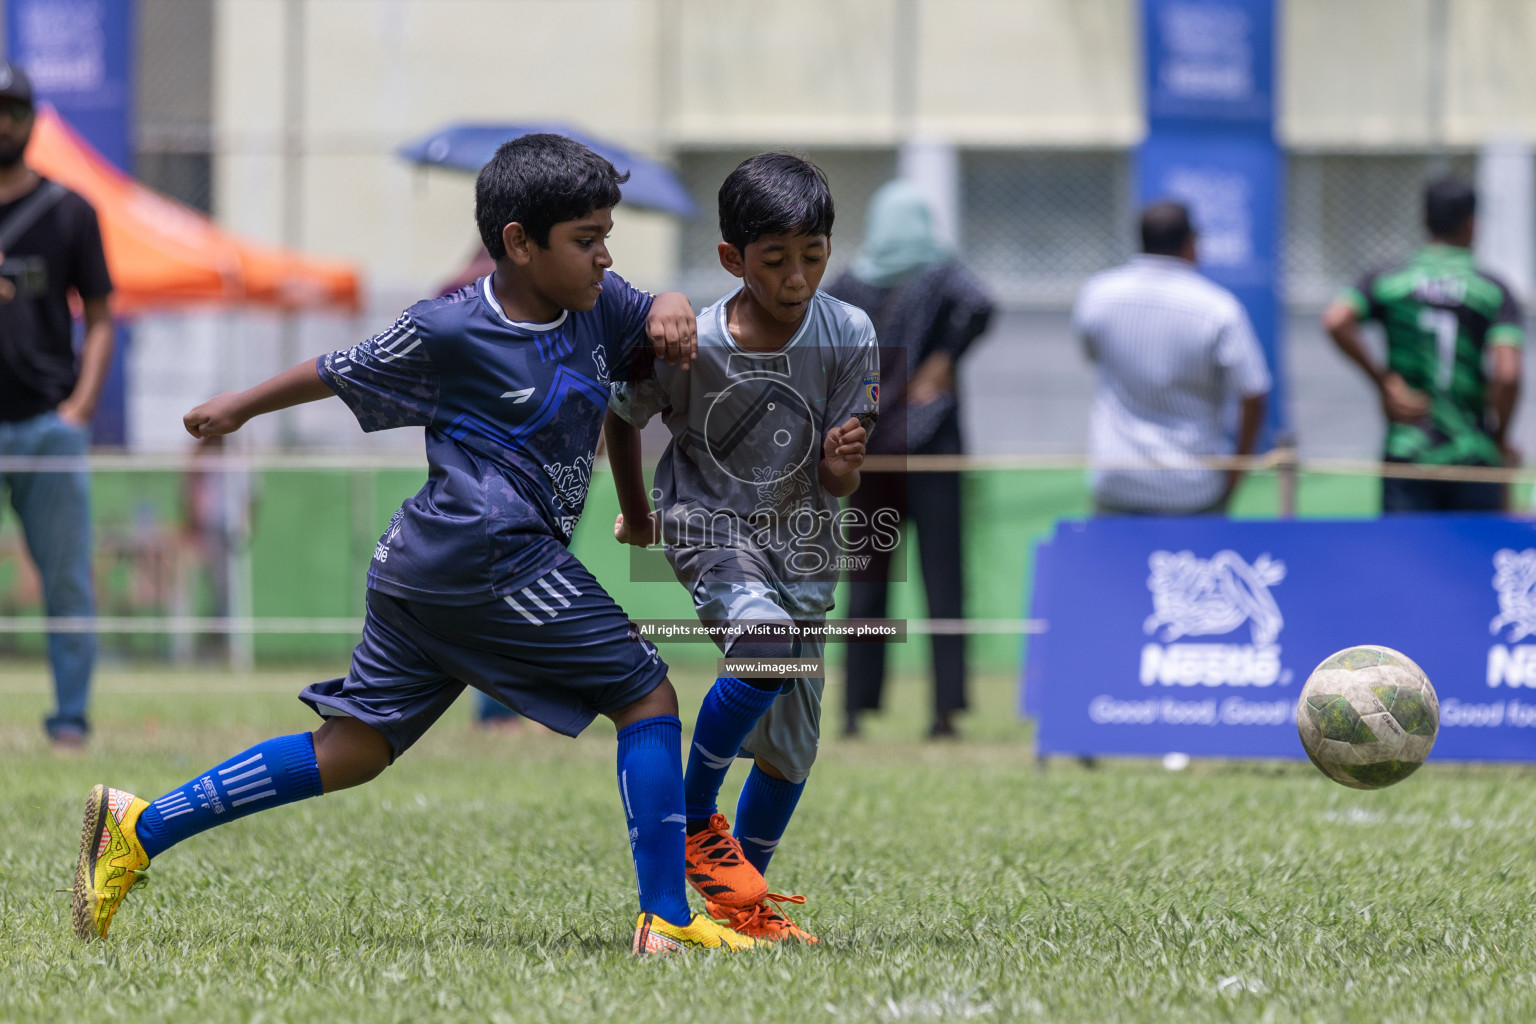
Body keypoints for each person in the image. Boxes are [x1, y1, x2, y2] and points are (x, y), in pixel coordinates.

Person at [69, 134, 753, 956]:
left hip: (426, 572)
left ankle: (140, 827)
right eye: (586, 239)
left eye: (609, 235)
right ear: (518, 244)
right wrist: (239, 409)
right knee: (647, 695)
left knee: (354, 750)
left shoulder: (598, 304)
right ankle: (668, 920)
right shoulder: (452, 327)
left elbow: (635, 364)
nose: (605, 256)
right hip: (485, 555)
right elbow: (339, 365)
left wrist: (673, 297)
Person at [606, 152, 877, 943]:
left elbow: (838, 483)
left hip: (801, 545)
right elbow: (622, 415)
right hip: (710, 527)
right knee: (764, 648)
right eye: (775, 260)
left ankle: (738, 902)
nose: (797, 277)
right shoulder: (694, 342)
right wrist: (636, 513)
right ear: (732, 259)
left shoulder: (851, 332)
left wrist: (840, 466)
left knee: (791, 753)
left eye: (814, 256)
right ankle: (695, 812)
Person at [823, 180, 993, 740]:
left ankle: (854, 711)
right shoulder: (943, 275)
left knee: (867, 580)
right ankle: (944, 713)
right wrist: (945, 358)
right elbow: (983, 304)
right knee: (942, 581)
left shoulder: (850, 281)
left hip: (868, 447)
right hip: (931, 444)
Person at [0, 62, 114, 748]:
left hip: (48, 424)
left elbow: (100, 318)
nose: (1, 122)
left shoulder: (71, 211)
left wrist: (79, 409)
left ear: (31, 119)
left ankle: (69, 719)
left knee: (66, 580)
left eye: (11, 109)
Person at [1323, 177, 1523, 512]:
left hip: (1408, 448)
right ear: (1473, 223)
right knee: (1471, 564)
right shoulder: (1491, 289)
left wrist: (1383, 383)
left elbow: (1335, 319)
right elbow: (1508, 375)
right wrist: (1499, 438)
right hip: (1471, 450)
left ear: (1423, 220)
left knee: (1405, 561)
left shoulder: (1389, 279)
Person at [1072, 201, 1271, 515]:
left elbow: (1092, 356)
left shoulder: (1097, 294)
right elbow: (1254, 392)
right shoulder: (1217, 308)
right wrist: (1236, 470)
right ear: (1190, 244)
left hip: (1117, 476)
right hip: (1193, 487)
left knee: (1116, 566)